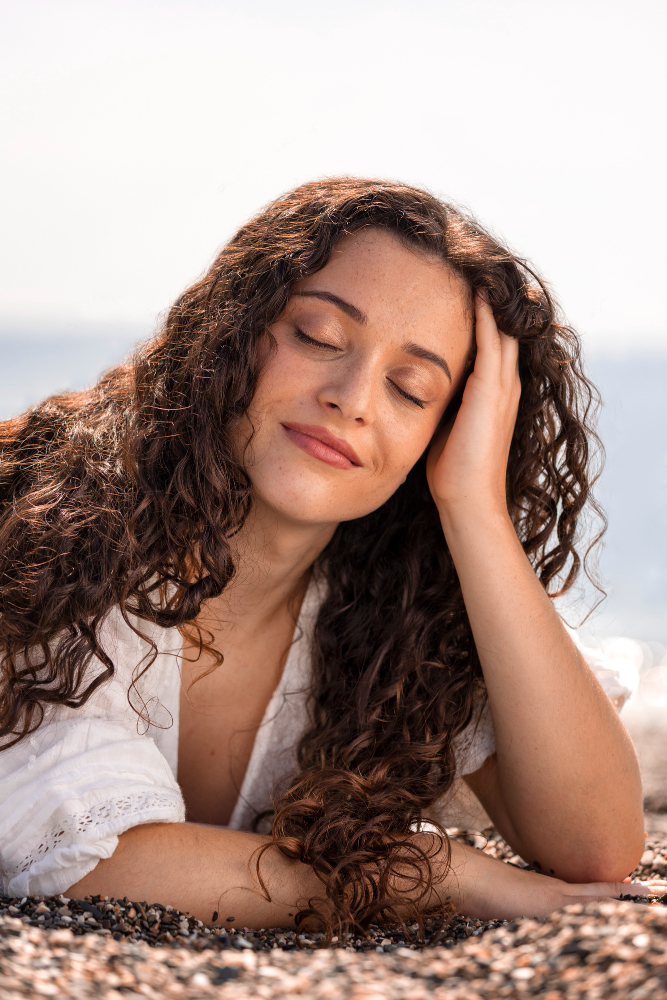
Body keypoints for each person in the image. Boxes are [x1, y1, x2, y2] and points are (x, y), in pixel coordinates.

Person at [0, 179, 658, 935]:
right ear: (230, 333)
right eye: (316, 337)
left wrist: (473, 509)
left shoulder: (393, 614)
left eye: (411, 389)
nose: (353, 398)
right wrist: (432, 871)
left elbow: (595, 845)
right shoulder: (59, 540)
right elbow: (100, 866)